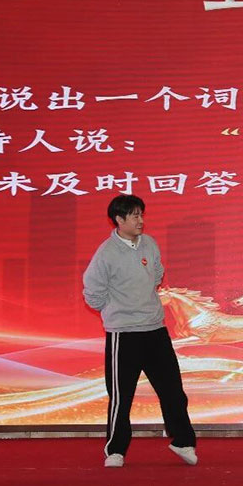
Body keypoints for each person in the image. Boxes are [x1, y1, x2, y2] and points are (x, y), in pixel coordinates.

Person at [82, 195, 197, 468]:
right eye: (134, 216)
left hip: (155, 329)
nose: (140, 220)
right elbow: (93, 292)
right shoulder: (106, 253)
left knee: (173, 391)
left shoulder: (149, 243)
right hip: (123, 334)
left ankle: (183, 441)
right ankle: (115, 450)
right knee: (121, 397)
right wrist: (118, 311)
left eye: (141, 215)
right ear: (119, 220)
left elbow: (157, 274)